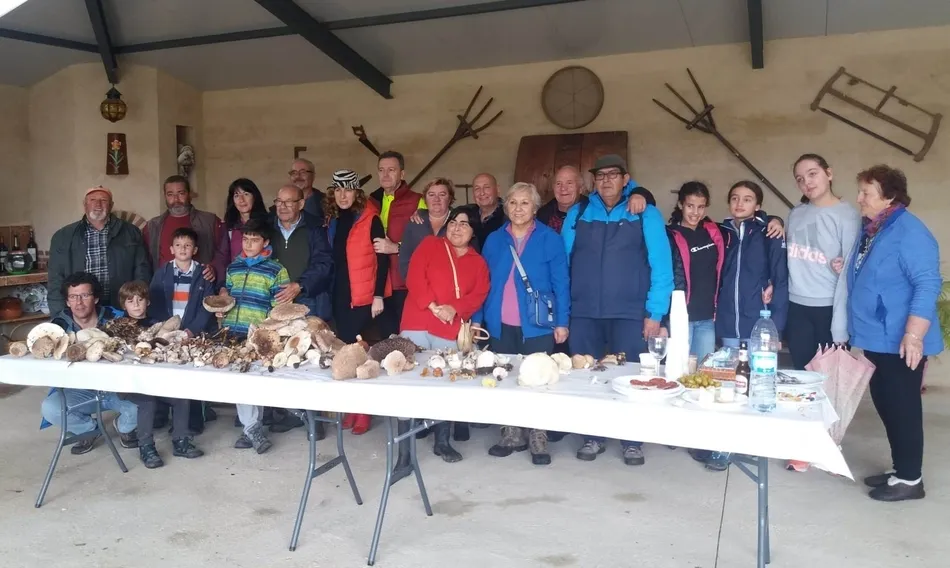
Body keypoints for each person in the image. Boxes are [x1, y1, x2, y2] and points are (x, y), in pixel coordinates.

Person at [562, 154, 673, 466]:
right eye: (601, 175)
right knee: (586, 376)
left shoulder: (645, 213)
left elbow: (661, 267)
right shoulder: (578, 212)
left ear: (626, 179)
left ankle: (632, 441)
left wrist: (655, 313)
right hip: (584, 312)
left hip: (629, 312)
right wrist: (564, 311)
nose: (606, 180)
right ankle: (592, 436)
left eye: (614, 175)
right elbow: (563, 265)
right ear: (594, 181)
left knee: (632, 378)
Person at [848, 165, 941, 502]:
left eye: (866, 193)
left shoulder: (909, 232)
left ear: (888, 196)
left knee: (902, 408)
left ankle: (909, 480)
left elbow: (927, 282)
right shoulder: (877, 227)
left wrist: (914, 336)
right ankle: (900, 468)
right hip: (878, 337)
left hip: (901, 340)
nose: (859, 199)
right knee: (887, 405)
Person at [479, 182, 569, 466]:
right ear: (506, 207)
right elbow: (483, 283)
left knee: (538, 379)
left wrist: (562, 322)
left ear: (535, 207)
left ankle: (538, 436)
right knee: (504, 376)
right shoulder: (494, 239)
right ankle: (511, 434)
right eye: (513, 203)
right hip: (499, 322)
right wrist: (478, 320)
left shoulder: (549, 238)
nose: (518, 209)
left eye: (525, 203)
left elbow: (562, 284)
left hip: (538, 323)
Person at [401, 208, 489, 463]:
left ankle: (442, 441)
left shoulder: (478, 262)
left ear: (473, 232)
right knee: (409, 381)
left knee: (445, 382)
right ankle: (405, 449)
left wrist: (455, 309)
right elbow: (415, 276)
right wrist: (432, 305)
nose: (457, 227)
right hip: (417, 320)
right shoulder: (430, 244)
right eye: (453, 222)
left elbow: (479, 294)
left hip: (450, 326)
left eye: (464, 224)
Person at [39, 272, 138, 455]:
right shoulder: (57, 327)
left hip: (117, 389)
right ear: (67, 301)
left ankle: (124, 427)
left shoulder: (116, 318)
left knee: (146, 407)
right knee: (50, 408)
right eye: (73, 297)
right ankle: (89, 429)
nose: (79, 302)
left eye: (85, 295)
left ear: (96, 298)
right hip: (79, 391)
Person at [327, 169, 391, 436]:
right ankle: (351, 408)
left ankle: (362, 411)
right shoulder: (333, 220)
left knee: (361, 352)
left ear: (356, 192)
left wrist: (378, 295)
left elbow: (383, 259)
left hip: (363, 297)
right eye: (338, 190)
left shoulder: (370, 218)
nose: (343, 195)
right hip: (340, 294)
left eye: (348, 189)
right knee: (345, 352)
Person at [219, 218, 290, 454]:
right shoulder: (233, 268)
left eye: (255, 240)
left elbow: (280, 309)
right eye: (246, 239)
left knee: (254, 381)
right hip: (233, 332)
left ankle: (251, 428)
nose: (248, 244)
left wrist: (269, 333)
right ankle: (252, 428)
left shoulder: (276, 271)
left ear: (266, 242)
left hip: (259, 335)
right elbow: (227, 298)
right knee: (241, 382)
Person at [116, 280, 204, 468]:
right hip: (129, 384)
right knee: (147, 401)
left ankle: (180, 440)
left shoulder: (159, 325)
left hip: (155, 381)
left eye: (140, 300)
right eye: (130, 301)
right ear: (124, 305)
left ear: (148, 302)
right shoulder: (117, 327)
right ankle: (146, 447)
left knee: (181, 396)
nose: (136, 304)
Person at [268, 184, 334, 435]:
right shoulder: (269, 228)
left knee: (309, 361)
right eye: (279, 201)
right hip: (277, 305)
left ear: (301, 204)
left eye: (289, 202)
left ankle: (313, 420)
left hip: (309, 301)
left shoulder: (315, 229)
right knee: (282, 357)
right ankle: (290, 415)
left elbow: (324, 263)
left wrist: (300, 285)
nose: (282, 207)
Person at [786, 154, 861, 369]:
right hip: (796, 308)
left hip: (828, 308)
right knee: (802, 378)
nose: (807, 182)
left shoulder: (848, 216)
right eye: (800, 179)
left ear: (829, 173)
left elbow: (849, 275)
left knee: (829, 384)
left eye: (812, 174)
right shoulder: (795, 214)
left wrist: (840, 326)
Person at [47, 186, 150, 315]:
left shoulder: (131, 232)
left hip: (121, 306)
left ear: (111, 205)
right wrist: (60, 315)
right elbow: (55, 280)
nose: (98, 204)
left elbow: (141, 270)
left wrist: (137, 304)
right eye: (92, 200)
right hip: (81, 310)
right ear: (85, 205)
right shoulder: (63, 236)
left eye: (103, 200)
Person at [715, 181, 788, 346]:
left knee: (759, 370)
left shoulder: (769, 232)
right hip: (728, 322)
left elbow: (780, 280)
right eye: (735, 198)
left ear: (757, 206)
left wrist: (777, 328)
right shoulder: (720, 234)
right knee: (730, 370)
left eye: (747, 200)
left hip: (760, 321)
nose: (739, 204)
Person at [368, 151, 424, 337]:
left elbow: (428, 244)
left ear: (402, 174)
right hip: (377, 282)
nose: (385, 175)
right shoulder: (371, 202)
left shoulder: (417, 201)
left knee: (408, 337)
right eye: (381, 170)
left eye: (391, 170)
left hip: (404, 282)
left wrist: (396, 247)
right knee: (382, 339)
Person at [143, 175, 228, 284]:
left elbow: (223, 253)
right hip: (164, 288)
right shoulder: (153, 226)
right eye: (170, 194)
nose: (176, 199)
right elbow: (145, 261)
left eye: (181, 193)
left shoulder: (210, 221)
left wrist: (214, 268)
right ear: (165, 196)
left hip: (200, 285)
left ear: (189, 194)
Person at [537, 165, 657, 234]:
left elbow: (622, 192)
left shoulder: (592, 207)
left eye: (569, 183)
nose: (563, 189)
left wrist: (639, 193)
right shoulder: (543, 215)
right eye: (558, 184)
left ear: (581, 188)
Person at [147, 227, 215, 336]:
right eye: (178, 245)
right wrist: (163, 327)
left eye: (187, 245)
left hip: (193, 333)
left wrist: (192, 330)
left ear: (195, 250)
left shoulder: (204, 275)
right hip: (166, 330)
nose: (182, 248)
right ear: (172, 249)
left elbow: (208, 306)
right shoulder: (161, 273)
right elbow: (154, 302)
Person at [399, 178, 454, 281]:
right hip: (420, 289)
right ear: (425, 199)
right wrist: (415, 284)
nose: (436, 199)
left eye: (442, 195)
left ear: (450, 198)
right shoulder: (415, 222)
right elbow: (404, 259)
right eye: (431, 195)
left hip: (451, 289)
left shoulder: (459, 221)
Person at [216, 178, 270, 280]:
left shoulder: (268, 223)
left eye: (246, 194)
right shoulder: (229, 227)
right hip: (235, 281)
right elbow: (222, 257)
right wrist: (223, 285)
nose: (241, 200)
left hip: (261, 282)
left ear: (254, 197)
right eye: (236, 195)